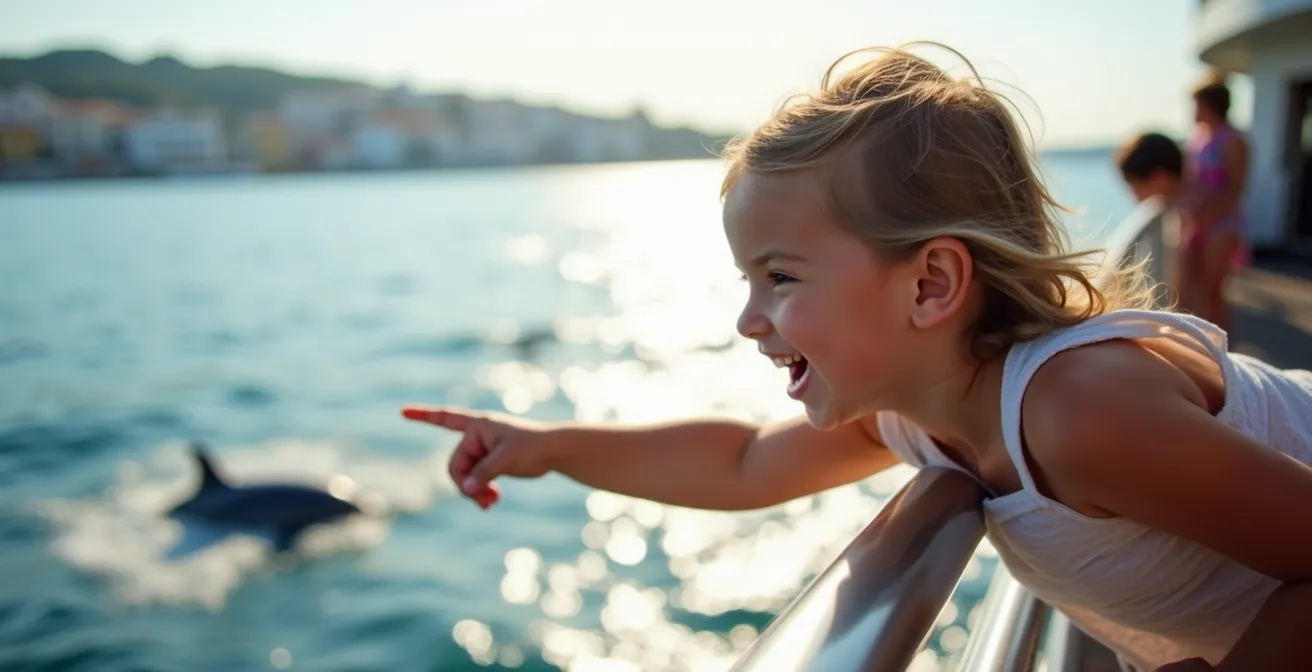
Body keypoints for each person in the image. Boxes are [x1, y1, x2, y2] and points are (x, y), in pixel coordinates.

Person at [402, 43, 1312, 672]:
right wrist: (549, 445)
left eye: (780, 278)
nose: (749, 320)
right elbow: (744, 462)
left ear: (930, 286)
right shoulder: (926, 406)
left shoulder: (1076, 412)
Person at [1179, 75, 1249, 333]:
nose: (1193, 111)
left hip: (1221, 225)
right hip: (1194, 224)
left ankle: (1221, 351)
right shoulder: (1197, 139)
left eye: (1197, 104)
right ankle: (1196, 344)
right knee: (1186, 289)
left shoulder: (1233, 141)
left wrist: (1205, 216)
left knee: (1213, 290)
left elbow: (1235, 190)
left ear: (1210, 105)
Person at [1114, 131, 1187, 307]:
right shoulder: (1175, 211)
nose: (1134, 197)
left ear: (1160, 177)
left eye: (1135, 187)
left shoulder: (1188, 224)